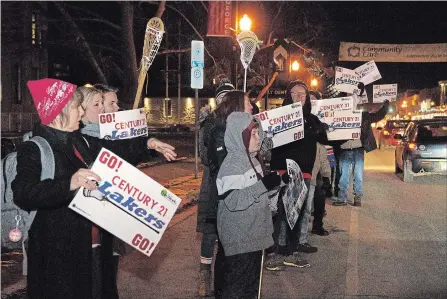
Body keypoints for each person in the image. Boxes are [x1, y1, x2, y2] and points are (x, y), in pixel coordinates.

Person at [77, 85, 177, 298]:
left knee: (106, 276)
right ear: (81, 109)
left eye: (111, 104)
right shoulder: (81, 138)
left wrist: (149, 143)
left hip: (106, 221)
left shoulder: (105, 135)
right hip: (85, 227)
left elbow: (125, 151)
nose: (109, 109)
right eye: (103, 104)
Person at [216, 111, 284, 299]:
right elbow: (234, 200)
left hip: (253, 236)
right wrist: (263, 184)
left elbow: (257, 192)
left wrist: (278, 183)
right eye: (253, 134)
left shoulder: (252, 160)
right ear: (241, 137)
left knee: (250, 289)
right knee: (237, 290)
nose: (258, 138)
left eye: (257, 133)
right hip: (240, 238)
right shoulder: (232, 165)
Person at [269, 80, 328, 261]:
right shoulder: (278, 116)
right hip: (282, 171)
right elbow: (269, 142)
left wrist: (321, 128)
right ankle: (277, 248)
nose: (299, 97)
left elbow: (325, 140)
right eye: (294, 93)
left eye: (302, 94)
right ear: (288, 95)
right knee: (280, 212)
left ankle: (292, 249)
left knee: (297, 212)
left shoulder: (312, 119)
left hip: (304, 173)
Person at [196, 79, 234, 297]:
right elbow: (204, 156)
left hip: (233, 182)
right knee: (210, 232)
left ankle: (223, 276)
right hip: (213, 183)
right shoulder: (209, 125)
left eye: (228, 99)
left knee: (228, 232)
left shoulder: (238, 122)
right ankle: (204, 278)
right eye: (221, 99)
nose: (224, 103)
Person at [333, 100, 390, 207]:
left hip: (358, 149)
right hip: (344, 149)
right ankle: (342, 198)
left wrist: (385, 105)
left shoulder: (363, 116)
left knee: (358, 175)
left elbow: (378, 115)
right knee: (343, 176)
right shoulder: (339, 116)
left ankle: (357, 198)